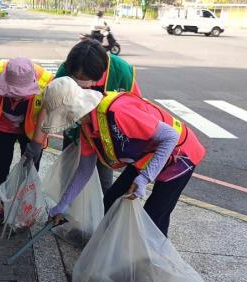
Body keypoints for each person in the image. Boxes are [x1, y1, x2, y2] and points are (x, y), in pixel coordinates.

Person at [41, 77, 206, 237]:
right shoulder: (87, 127)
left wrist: (145, 177)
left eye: (67, 118)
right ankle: (109, 248)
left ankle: (152, 262)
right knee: (112, 199)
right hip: (147, 155)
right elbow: (84, 171)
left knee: (154, 218)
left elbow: (170, 136)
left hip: (181, 154)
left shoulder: (118, 113)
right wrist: (61, 206)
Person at [0, 57, 54, 225]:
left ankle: (23, 208)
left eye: (21, 96)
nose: (16, 100)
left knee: (30, 169)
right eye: (12, 94)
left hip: (32, 129)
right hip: (1, 125)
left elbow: (49, 115)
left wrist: (38, 143)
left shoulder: (48, 84)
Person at [55, 39, 141, 193]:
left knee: (104, 181)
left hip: (105, 137)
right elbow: (54, 103)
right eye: (76, 79)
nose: (82, 85)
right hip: (75, 132)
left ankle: (103, 212)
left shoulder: (120, 71)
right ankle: (63, 212)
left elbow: (134, 107)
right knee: (68, 175)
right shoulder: (66, 69)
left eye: (85, 79)